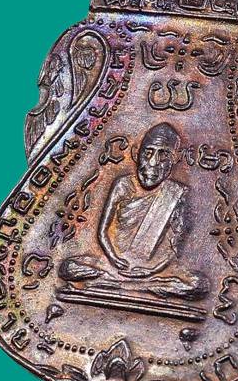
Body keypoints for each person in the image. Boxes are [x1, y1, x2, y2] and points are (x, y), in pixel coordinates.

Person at [59, 123, 209, 301]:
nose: (153, 163)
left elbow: (174, 248)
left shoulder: (176, 193)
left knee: (199, 284)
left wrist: (151, 270)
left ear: (175, 158)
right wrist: (113, 258)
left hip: (151, 273)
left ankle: (117, 285)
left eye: (163, 155)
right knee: (68, 268)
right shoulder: (123, 184)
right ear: (136, 153)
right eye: (148, 153)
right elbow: (102, 231)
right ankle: (137, 288)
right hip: (111, 263)